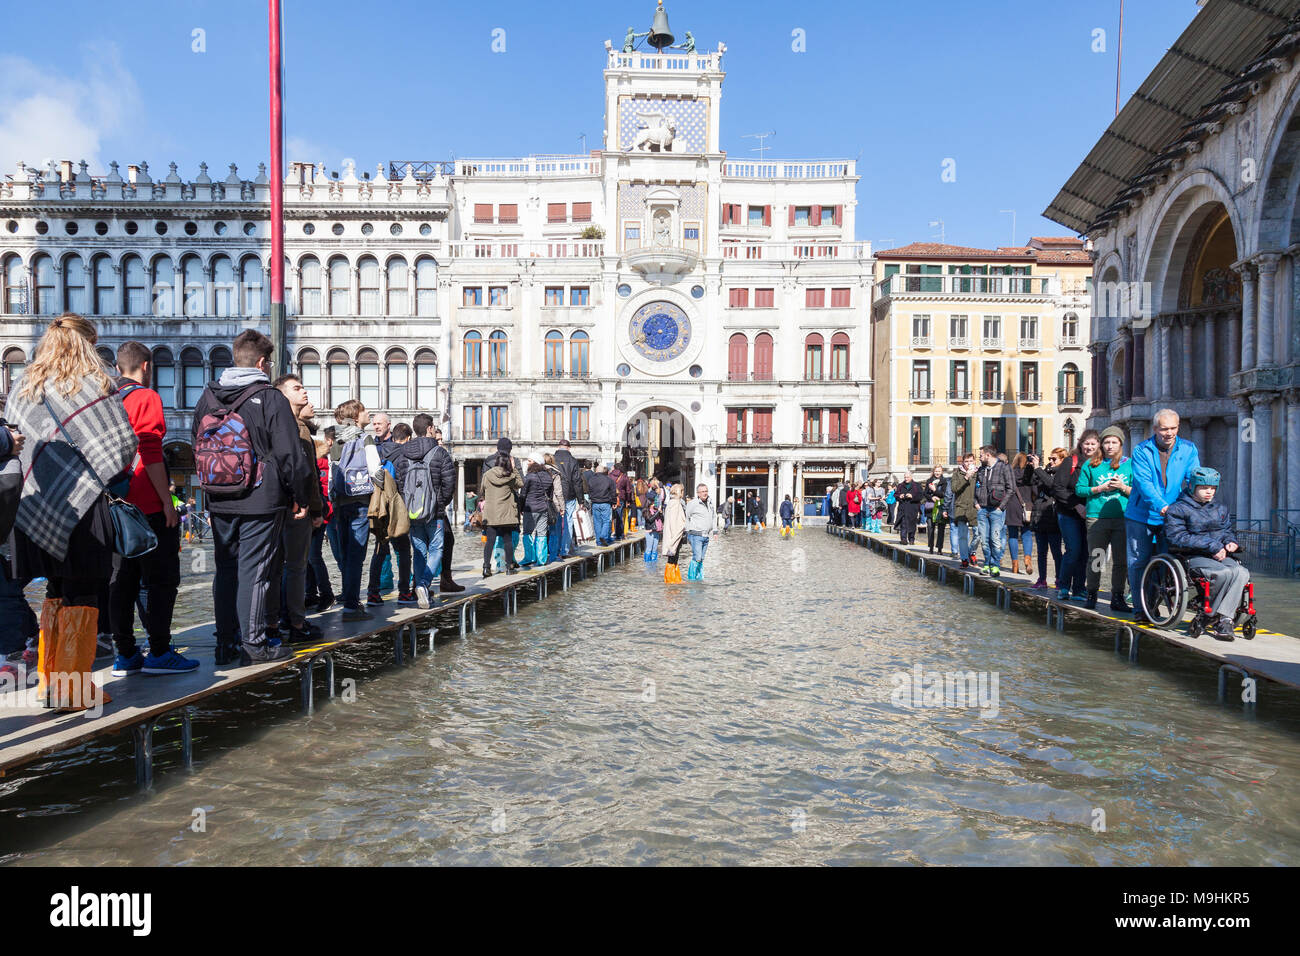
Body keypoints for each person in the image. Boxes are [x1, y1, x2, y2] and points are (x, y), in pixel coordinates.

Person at [9, 316, 136, 709]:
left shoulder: (23, 384)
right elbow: (121, 447)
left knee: (55, 589)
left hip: (32, 506)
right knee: (83, 591)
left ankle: (50, 682)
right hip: (83, 507)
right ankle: (74, 689)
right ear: (87, 344)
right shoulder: (94, 385)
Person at [193, 329, 316, 663]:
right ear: (263, 362)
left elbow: (197, 443)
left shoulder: (208, 396)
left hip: (218, 496)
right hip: (261, 498)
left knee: (226, 568)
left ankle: (225, 644)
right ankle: (255, 645)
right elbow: (290, 455)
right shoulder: (270, 398)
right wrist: (301, 497)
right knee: (255, 571)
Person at [106, 341, 197, 676]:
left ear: (118, 368)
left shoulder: (104, 399)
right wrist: (167, 503)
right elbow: (151, 453)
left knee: (121, 581)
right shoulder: (146, 397)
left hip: (112, 507)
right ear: (146, 366)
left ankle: (125, 654)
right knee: (161, 580)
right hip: (146, 505)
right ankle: (159, 651)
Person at [264, 373, 326, 643]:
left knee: (278, 566)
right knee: (296, 566)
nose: (304, 392)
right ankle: (297, 622)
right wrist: (315, 508)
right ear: (282, 394)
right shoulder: (296, 427)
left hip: (276, 505)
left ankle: (277, 621)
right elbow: (307, 473)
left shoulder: (273, 423)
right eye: (297, 388)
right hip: (295, 507)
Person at [1126, 409, 1201, 623]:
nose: (1169, 433)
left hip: (1172, 516)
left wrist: (1194, 503)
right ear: (1155, 429)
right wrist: (1161, 506)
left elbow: (1193, 478)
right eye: (1164, 428)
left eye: (1173, 428)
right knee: (1138, 561)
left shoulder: (1188, 449)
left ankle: (1155, 602)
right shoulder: (1141, 450)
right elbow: (1144, 483)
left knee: (1166, 560)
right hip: (1141, 514)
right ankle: (1141, 608)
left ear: (1179, 428)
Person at [1164, 466, 1247, 640]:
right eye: (1204, 488)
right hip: (1191, 556)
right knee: (1222, 573)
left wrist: (1231, 542)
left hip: (1219, 554)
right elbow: (1177, 537)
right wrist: (1212, 546)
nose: (1209, 492)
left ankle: (1223, 618)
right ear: (1193, 487)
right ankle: (1214, 616)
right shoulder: (1177, 509)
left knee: (1241, 572)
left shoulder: (1221, 508)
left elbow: (1226, 531)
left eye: (1212, 488)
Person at [328, 398, 387, 622]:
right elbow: (375, 470)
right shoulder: (365, 438)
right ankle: (352, 607)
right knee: (356, 555)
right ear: (356, 416)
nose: (368, 413)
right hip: (360, 501)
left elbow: (333, 474)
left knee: (345, 554)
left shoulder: (336, 439)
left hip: (340, 502)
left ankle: (349, 599)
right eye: (364, 410)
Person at [390, 413, 454, 608]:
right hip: (435, 512)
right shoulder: (440, 453)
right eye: (433, 428)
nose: (435, 430)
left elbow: (399, 484)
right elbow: (449, 482)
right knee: (436, 549)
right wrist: (441, 503)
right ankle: (424, 585)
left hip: (412, 513)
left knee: (418, 551)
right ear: (429, 429)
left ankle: (419, 586)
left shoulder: (402, 455)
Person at [1076, 425, 1133, 611]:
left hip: (1122, 518)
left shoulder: (1129, 464)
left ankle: (1117, 597)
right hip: (1096, 518)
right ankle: (1092, 593)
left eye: (1114, 442)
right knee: (1097, 558)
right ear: (1101, 444)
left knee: (1121, 560)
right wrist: (1099, 489)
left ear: (1120, 444)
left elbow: (1138, 492)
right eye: (1106, 442)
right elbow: (1079, 489)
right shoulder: (1091, 465)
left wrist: (1122, 487)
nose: (1110, 446)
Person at [1051, 430, 1098, 602]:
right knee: (1073, 550)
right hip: (1069, 513)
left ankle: (1079, 588)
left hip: (1091, 514)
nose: (1089, 447)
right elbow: (1057, 488)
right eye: (1087, 443)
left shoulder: (1100, 464)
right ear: (1081, 444)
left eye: (1093, 444)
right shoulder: (1071, 461)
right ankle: (1064, 586)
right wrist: (1076, 505)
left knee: (1086, 552)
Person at [479, 450, 522, 577]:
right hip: (506, 514)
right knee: (507, 540)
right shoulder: (510, 476)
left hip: (491, 513)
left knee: (490, 541)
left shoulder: (487, 475)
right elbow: (521, 484)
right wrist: (514, 469)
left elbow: (482, 490)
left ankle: (486, 568)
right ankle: (509, 568)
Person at [304, 435, 336, 611]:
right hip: (321, 512)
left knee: (313, 556)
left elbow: (320, 491)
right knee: (310, 556)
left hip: (318, 514)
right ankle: (312, 594)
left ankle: (325, 594)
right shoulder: (322, 463)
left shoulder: (319, 465)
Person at [973, 446, 1015, 575]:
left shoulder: (1004, 468)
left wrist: (1000, 507)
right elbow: (977, 487)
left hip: (996, 510)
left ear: (988, 455)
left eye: (981, 455)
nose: (979, 457)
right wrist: (976, 503)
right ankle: (986, 564)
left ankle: (995, 565)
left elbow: (1011, 489)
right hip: (982, 509)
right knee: (984, 540)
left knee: (995, 539)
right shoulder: (981, 469)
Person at [1026, 450, 1062, 590]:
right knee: (1041, 552)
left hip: (1053, 517)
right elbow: (1028, 481)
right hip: (1039, 516)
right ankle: (1042, 579)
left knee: (1056, 551)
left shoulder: (1061, 473)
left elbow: (1052, 484)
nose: (1051, 461)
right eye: (1050, 458)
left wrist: (1038, 469)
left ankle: (1059, 579)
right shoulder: (1044, 470)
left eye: (1054, 459)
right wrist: (1030, 467)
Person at [520, 451, 554, 567]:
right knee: (542, 534)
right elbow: (550, 493)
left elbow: (523, 494)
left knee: (527, 533)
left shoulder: (529, 477)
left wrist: (520, 508)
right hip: (543, 508)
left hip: (530, 508)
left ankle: (529, 558)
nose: (527, 463)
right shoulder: (548, 476)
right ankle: (542, 559)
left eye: (529, 461)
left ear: (535, 462)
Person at [1004, 454, 1034, 576]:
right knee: (1027, 533)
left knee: (1012, 535)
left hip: (1011, 505)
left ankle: (1015, 565)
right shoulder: (1030, 474)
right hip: (1026, 506)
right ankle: (1027, 558)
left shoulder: (1009, 473)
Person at [552, 438, 582, 557]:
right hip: (569, 494)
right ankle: (564, 550)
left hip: (554, 494)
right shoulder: (573, 460)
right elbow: (577, 481)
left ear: (558, 447)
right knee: (568, 521)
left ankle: (554, 550)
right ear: (569, 448)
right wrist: (581, 500)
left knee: (556, 522)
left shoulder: (552, 459)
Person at [948, 456, 978, 567]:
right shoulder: (957, 474)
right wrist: (966, 477)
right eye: (966, 461)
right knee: (962, 535)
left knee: (979, 534)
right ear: (963, 463)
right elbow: (954, 489)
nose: (969, 463)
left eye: (971, 461)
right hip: (961, 507)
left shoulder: (979, 473)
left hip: (975, 507)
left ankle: (972, 551)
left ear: (974, 462)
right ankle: (964, 558)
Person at [684, 483, 717, 580]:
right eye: (702, 491)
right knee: (697, 557)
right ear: (698, 493)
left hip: (706, 535)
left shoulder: (710, 502)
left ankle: (699, 578)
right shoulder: (693, 503)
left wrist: (715, 531)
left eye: (706, 491)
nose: (705, 493)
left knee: (701, 559)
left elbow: (714, 517)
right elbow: (687, 517)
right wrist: (687, 532)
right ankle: (691, 579)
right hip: (695, 535)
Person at [586, 464, 617, 546]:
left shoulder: (591, 480)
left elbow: (589, 490)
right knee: (606, 521)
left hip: (595, 503)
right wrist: (614, 502)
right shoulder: (609, 480)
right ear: (603, 471)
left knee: (597, 522)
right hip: (605, 502)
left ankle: (599, 541)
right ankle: (603, 536)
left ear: (596, 471)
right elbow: (613, 492)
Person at [661, 484, 687, 583]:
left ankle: (674, 578)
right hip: (675, 535)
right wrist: (675, 537)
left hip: (673, 534)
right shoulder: (676, 504)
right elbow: (675, 522)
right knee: (673, 557)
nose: (683, 493)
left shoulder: (671, 503)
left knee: (673, 557)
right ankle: (671, 579)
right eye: (682, 491)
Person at [923, 466, 948, 554]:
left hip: (940, 507)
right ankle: (930, 547)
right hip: (930, 507)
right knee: (930, 528)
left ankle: (939, 548)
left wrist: (935, 490)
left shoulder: (944, 481)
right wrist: (931, 497)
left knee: (941, 528)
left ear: (942, 472)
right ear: (933, 471)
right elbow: (925, 493)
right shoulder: (929, 481)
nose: (937, 473)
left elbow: (944, 494)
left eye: (939, 471)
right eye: (936, 471)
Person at [893, 471, 923, 545]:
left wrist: (912, 496)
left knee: (912, 524)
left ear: (911, 477)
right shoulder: (900, 485)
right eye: (905, 477)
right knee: (903, 524)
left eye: (907, 477)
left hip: (913, 508)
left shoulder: (917, 485)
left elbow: (921, 496)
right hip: (903, 507)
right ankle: (903, 539)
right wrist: (900, 496)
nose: (906, 479)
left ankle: (911, 539)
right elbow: (895, 495)